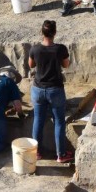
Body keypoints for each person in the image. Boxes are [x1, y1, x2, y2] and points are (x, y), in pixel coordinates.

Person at [29, 19, 73, 165]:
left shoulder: (35, 49)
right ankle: (61, 155)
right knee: (59, 122)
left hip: (38, 90)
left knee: (38, 120)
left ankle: (36, 152)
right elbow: (66, 65)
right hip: (55, 90)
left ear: (42, 32)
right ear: (54, 33)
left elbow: (31, 65)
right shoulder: (60, 49)